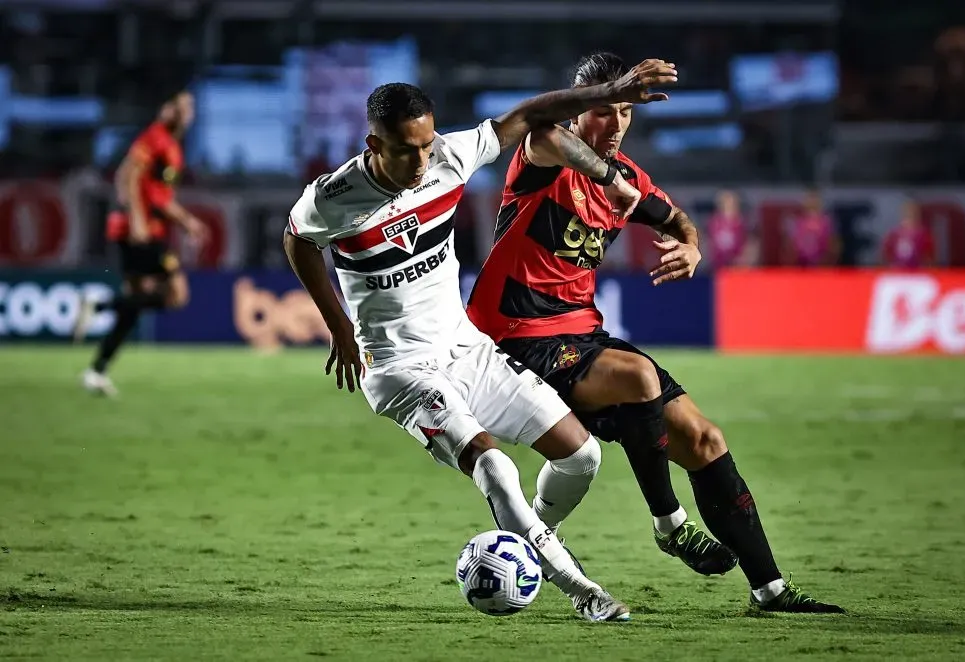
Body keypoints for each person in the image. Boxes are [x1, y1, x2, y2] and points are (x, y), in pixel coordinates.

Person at [284, 59, 677, 621]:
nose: (423, 160)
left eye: (428, 144)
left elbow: (534, 115)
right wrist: (339, 325)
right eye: (407, 149)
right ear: (374, 143)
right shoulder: (333, 197)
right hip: (401, 369)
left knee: (582, 456)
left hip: (465, 348)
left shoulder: (450, 155)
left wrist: (611, 91)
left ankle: (534, 536)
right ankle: (584, 591)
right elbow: (298, 240)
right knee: (495, 468)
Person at [466, 52, 844, 613]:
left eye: (624, 112)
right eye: (601, 110)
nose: (614, 123)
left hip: (581, 335)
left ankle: (771, 590)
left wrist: (691, 243)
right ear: (578, 112)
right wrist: (605, 174)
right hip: (517, 339)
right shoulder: (543, 156)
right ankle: (669, 524)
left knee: (705, 440)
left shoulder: (630, 179)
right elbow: (541, 128)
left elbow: (675, 218)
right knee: (638, 375)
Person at [75, 91, 207, 395]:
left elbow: (160, 197)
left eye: (191, 107)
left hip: (145, 228)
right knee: (176, 293)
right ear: (168, 109)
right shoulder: (156, 138)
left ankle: (97, 370)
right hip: (140, 231)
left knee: (133, 306)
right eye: (184, 106)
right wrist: (136, 217)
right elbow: (127, 175)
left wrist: (186, 222)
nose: (189, 113)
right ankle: (98, 307)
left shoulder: (171, 147)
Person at [785, 190, 840, 267]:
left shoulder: (827, 223)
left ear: (820, 203)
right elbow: (790, 246)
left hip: (822, 265)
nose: (812, 204)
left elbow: (834, 245)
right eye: (810, 201)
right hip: (800, 265)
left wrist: (827, 263)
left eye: (815, 201)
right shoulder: (798, 222)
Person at [707, 189, 756, 268]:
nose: (728, 205)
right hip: (717, 267)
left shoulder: (743, 223)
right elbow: (707, 244)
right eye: (725, 202)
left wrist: (744, 259)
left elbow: (751, 245)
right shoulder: (713, 223)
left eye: (731, 202)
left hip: (738, 268)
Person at [882, 200, 935, 269]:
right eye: (907, 215)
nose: (909, 217)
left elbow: (929, 255)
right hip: (897, 269)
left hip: (917, 270)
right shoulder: (894, 233)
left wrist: (928, 268)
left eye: (912, 214)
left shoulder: (923, 234)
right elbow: (886, 253)